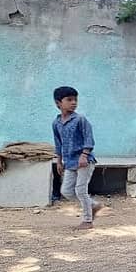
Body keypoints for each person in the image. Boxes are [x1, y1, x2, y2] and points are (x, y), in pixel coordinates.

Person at [52, 86, 102, 230]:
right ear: (58, 103)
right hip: (69, 161)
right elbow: (58, 143)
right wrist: (59, 161)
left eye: (75, 99)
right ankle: (92, 205)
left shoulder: (80, 119)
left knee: (81, 190)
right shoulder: (56, 123)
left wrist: (84, 155)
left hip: (84, 160)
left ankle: (87, 220)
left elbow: (89, 139)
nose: (74, 102)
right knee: (66, 191)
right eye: (69, 100)